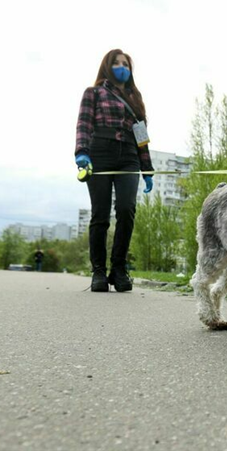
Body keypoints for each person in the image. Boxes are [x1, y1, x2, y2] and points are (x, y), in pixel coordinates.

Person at [74, 49, 154, 292]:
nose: (123, 68)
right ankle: (98, 271)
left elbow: (142, 137)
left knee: (126, 209)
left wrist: (147, 168)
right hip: (100, 154)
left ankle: (118, 268)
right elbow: (84, 124)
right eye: (118, 63)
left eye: (126, 65)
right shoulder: (94, 93)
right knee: (100, 214)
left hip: (129, 156)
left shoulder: (135, 100)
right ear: (108, 67)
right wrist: (82, 152)